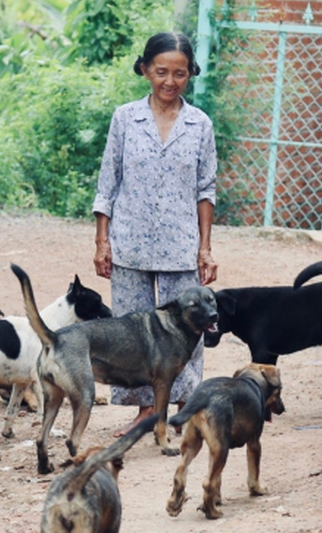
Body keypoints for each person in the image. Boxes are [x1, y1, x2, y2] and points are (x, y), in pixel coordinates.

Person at [92, 31, 218, 437]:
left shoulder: (200, 124)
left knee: (190, 327)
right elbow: (107, 182)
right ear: (145, 69)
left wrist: (205, 248)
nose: (169, 81)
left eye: (179, 73)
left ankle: (187, 407)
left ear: (190, 75)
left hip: (181, 247)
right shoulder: (125, 118)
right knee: (132, 332)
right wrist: (102, 241)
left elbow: (206, 189)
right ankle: (146, 408)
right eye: (161, 71)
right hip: (130, 244)